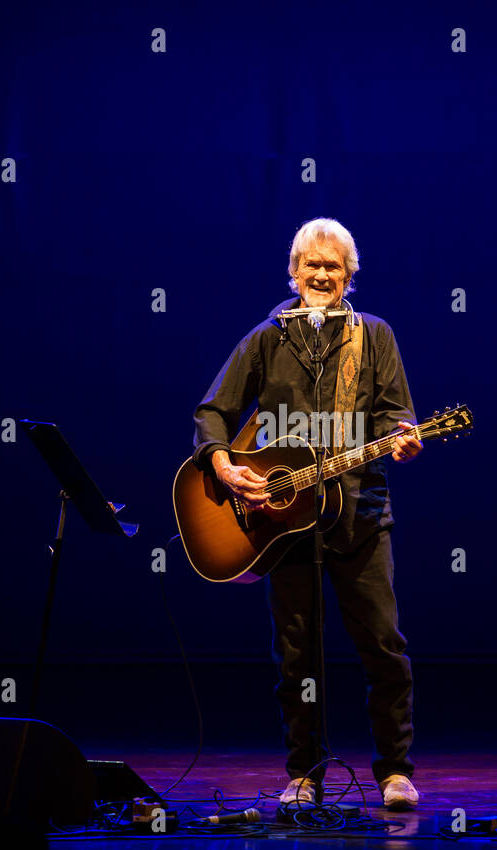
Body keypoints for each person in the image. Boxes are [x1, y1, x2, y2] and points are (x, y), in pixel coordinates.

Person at [191, 217, 423, 811]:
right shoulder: (267, 337)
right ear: (293, 272)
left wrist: (405, 438)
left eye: (334, 267)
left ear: (350, 276)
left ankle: (395, 773)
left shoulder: (375, 337)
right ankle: (304, 773)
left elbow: (396, 417)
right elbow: (213, 412)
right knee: (297, 656)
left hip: (361, 516)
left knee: (383, 646)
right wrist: (221, 465)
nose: (322, 275)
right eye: (311, 265)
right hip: (285, 525)